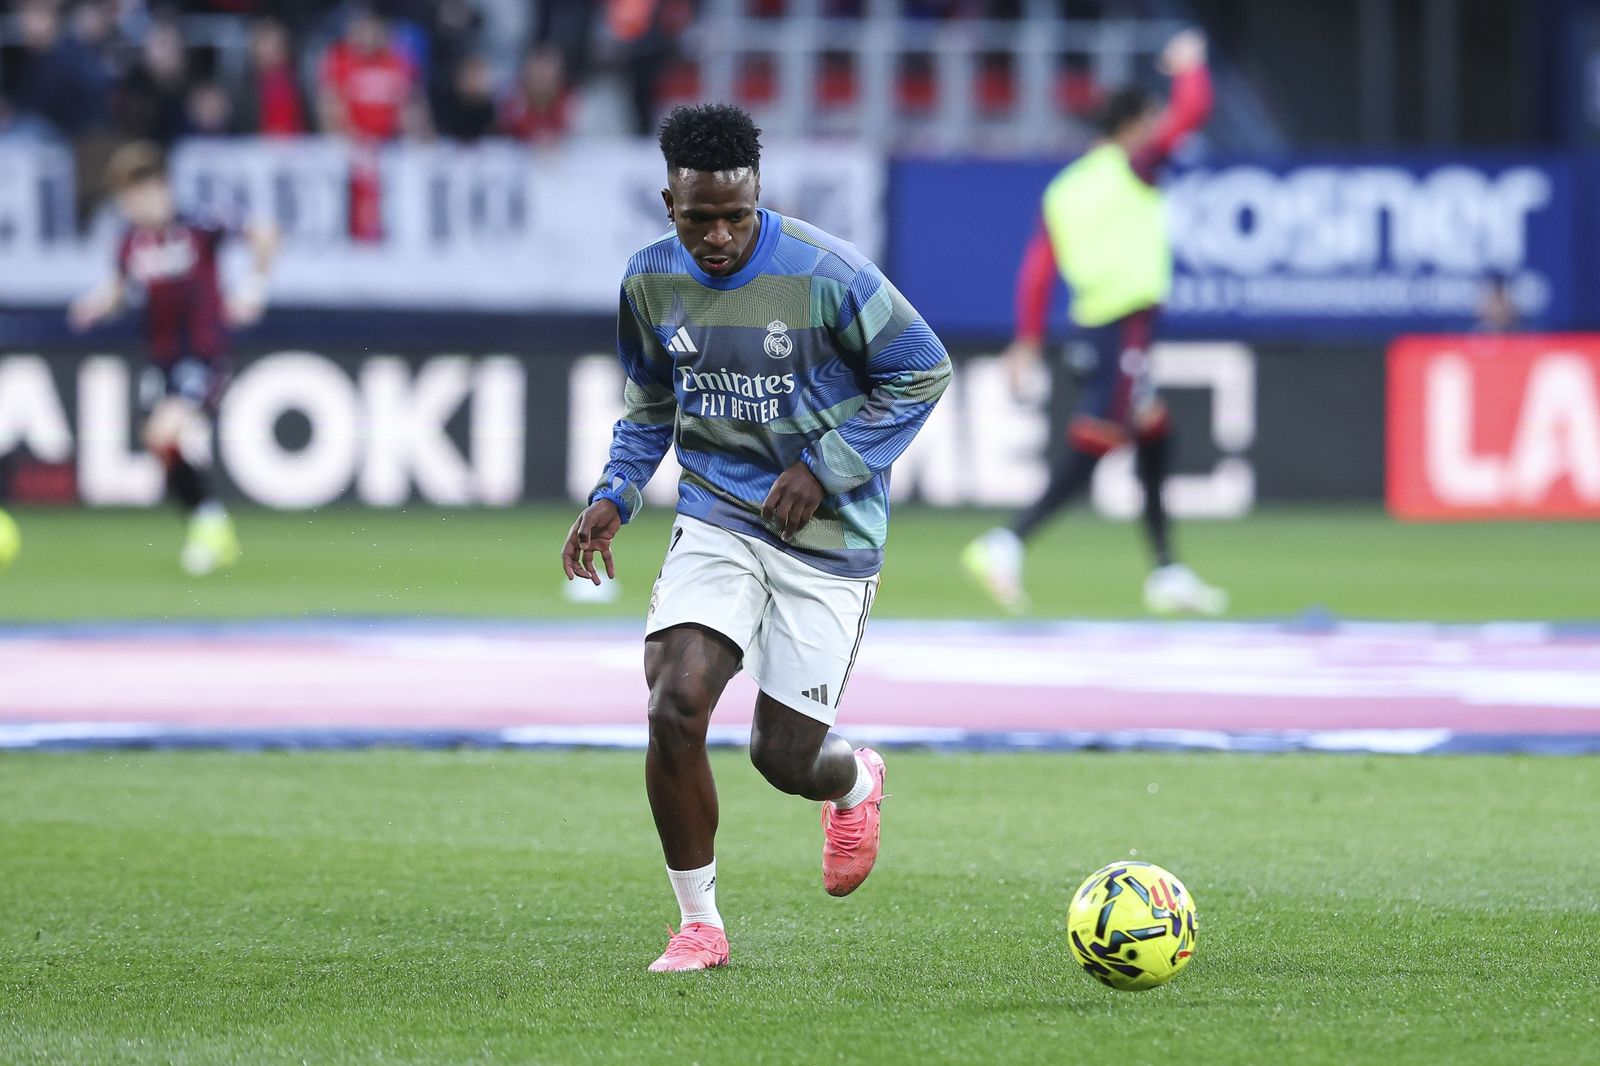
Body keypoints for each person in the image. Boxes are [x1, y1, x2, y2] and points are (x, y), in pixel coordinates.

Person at [561, 103, 950, 973]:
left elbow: (923, 367)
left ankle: (854, 781)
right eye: (700, 218)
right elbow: (652, 401)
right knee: (674, 704)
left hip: (829, 536)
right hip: (718, 515)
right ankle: (699, 924)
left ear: (757, 194)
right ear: (670, 204)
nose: (721, 236)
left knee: (783, 758)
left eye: (737, 214)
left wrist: (829, 464)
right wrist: (615, 493)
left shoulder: (827, 272)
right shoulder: (650, 281)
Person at [962, 29, 1227, 617]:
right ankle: (1006, 542)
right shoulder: (1135, 166)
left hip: (1094, 325)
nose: (1160, 130)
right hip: (1124, 323)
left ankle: (1167, 570)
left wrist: (1028, 341)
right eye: (1151, 121)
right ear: (1134, 124)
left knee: (1155, 431)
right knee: (1099, 440)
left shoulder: (1068, 187)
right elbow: (1196, 110)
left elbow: (1037, 273)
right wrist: (1189, 66)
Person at [68, 142, 279, 576]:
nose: (133, 203)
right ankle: (209, 523)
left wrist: (253, 289)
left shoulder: (200, 224)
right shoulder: (131, 242)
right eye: (126, 196)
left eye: (139, 192)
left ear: (161, 188)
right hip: (162, 356)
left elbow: (265, 232)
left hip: (202, 353)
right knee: (158, 441)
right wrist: (93, 305)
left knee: (166, 428)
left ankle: (209, 525)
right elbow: (120, 289)